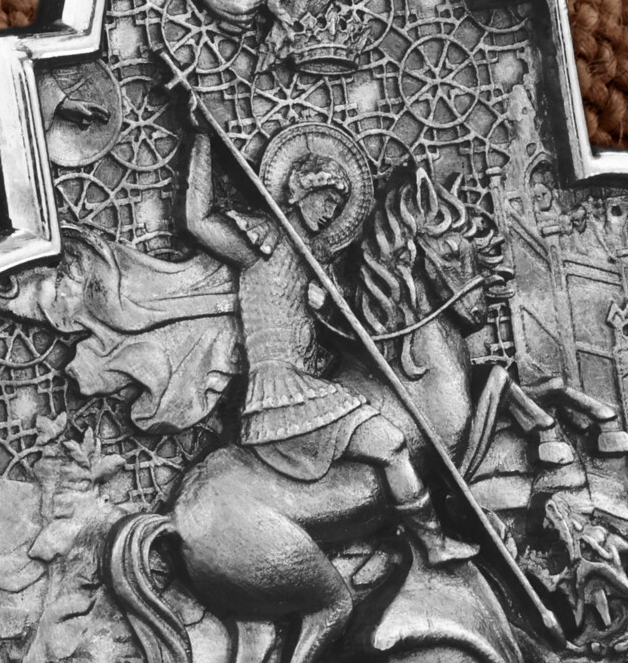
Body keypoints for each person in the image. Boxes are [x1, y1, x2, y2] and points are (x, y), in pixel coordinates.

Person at [180, 127, 475, 567]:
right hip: (280, 391)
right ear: (300, 193)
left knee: (390, 444)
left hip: (306, 383)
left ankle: (424, 539)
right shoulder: (261, 243)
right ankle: (433, 543)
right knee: (392, 444)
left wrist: (327, 307)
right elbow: (197, 222)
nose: (328, 214)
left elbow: (339, 335)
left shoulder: (313, 262)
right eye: (324, 202)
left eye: (337, 208)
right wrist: (201, 140)